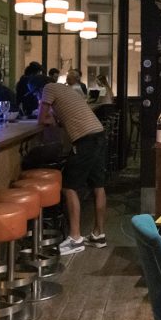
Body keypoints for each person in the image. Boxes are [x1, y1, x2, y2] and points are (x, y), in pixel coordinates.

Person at [39, 79, 107, 255]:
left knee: (69, 186)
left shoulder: (48, 88)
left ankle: (75, 239)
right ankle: (98, 235)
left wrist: (50, 119)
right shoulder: (67, 90)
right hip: (99, 134)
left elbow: (42, 118)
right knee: (98, 186)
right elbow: (68, 117)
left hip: (85, 140)